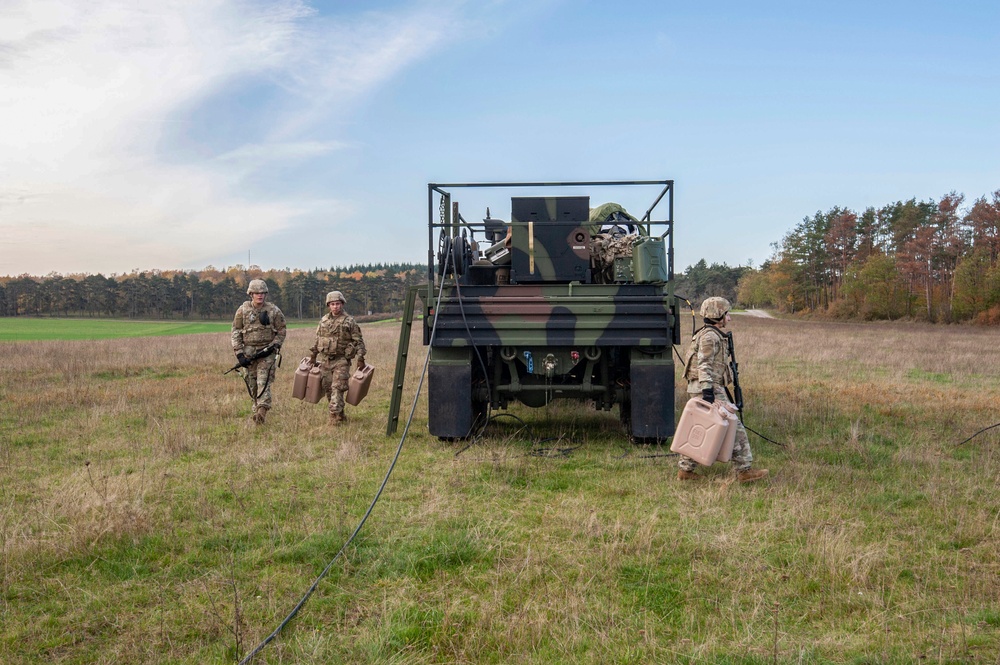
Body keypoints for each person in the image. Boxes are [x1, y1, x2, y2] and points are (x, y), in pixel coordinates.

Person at [679, 296, 768, 483]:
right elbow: (704, 364)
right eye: (727, 314)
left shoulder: (710, 334)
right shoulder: (710, 337)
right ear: (718, 314)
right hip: (708, 386)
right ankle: (744, 470)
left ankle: (685, 471)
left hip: (707, 385)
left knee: (704, 427)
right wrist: (708, 393)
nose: (729, 318)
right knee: (734, 427)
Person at [231, 279, 287, 425]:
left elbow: (281, 330)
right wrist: (239, 354)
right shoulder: (242, 311)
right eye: (256, 293)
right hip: (249, 353)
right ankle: (256, 408)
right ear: (251, 294)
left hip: (267, 353)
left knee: (264, 382)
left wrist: (275, 345)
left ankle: (261, 411)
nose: (259, 296)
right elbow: (236, 331)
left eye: (262, 293)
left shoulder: (273, 311)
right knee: (253, 384)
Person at [310, 290, 367, 425]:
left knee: (338, 388)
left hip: (341, 360)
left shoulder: (349, 321)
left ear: (342, 304)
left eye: (338, 304)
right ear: (329, 305)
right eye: (333, 304)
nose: (335, 306)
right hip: (325, 360)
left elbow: (358, 341)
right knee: (329, 389)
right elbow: (317, 340)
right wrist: (313, 356)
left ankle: (334, 418)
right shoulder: (323, 321)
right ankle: (340, 414)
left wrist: (360, 358)